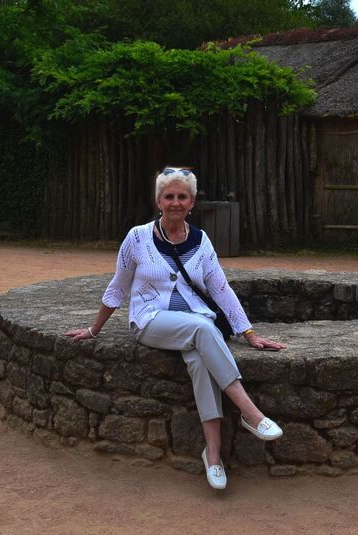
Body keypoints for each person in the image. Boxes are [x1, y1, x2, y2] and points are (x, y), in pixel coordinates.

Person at [65, 166, 286, 490]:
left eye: (182, 196)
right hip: (150, 321)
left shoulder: (201, 241)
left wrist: (249, 333)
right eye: (169, 196)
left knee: (199, 360)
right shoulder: (137, 238)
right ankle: (250, 412)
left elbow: (221, 288)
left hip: (194, 325)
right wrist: (94, 330)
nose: (175, 202)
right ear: (158, 200)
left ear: (192, 202)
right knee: (202, 330)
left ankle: (212, 456)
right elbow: (118, 287)